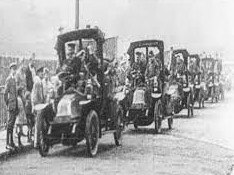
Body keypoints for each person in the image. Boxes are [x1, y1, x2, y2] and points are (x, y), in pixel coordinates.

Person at [4, 62, 18, 150]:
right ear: (10, 70)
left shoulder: (14, 79)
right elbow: (5, 93)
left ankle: (11, 142)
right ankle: (7, 143)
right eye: (13, 69)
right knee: (9, 125)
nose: (14, 71)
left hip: (15, 104)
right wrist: (8, 103)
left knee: (12, 125)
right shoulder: (8, 79)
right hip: (11, 105)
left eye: (15, 69)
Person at [31, 67, 45, 148]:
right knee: (38, 124)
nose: (43, 74)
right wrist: (35, 106)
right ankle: (37, 142)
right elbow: (36, 95)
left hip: (38, 105)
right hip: (38, 105)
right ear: (39, 73)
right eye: (41, 73)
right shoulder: (38, 82)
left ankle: (37, 141)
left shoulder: (38, 81)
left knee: (38, 123)